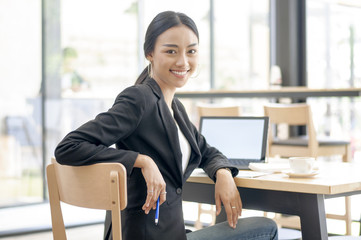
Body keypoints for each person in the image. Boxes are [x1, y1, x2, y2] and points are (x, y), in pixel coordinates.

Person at [54, 11, 278, 240]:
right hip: (146, 234)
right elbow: (68, 147)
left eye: (191, 51)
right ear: (150, 53)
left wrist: (223, 173)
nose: (183, 61)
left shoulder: (175, 109)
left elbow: (207, 151)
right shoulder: (139, 98)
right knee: (267, 227)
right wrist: (141, 161)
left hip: (169, 231)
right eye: (171, 51)